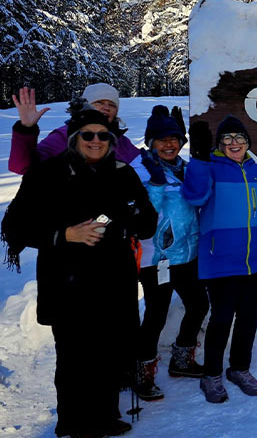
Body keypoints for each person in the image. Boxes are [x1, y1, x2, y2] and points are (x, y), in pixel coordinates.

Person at [2, 109, 157, 437]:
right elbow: (14, 227)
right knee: (75, 361)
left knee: (110, 356)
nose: (96, 141)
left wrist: (122, 216)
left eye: (103, 135)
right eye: (88, 135)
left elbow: (146, 223)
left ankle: (105, 417)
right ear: (74, 138)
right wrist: (64, 235)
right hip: (68, 284)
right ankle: (73, 425)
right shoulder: (47, 175)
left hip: (115, 283)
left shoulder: (123, 174)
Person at [182, 115, 257, 403]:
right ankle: (212, 375)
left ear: (247, 142)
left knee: (248, 320)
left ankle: (239, 369)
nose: (233, 143)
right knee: (221, 319)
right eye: (227, 138)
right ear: (219, 144)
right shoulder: (211, 169)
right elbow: (194, 197)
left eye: (239, 138)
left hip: (254, 260)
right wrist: (199, 160)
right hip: (221, 259)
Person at [132, 105, 210, 401]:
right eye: (161, 139)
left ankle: (182, 359)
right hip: (157, 258)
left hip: (187, 255)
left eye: (174, 138)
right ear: (150, 142)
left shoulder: (187, 168)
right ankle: (143, 371)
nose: (168, 144)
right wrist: (154, 182)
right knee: (156, 315)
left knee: (199, 305)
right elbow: (144, 212)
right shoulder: (142, 168)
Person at [9, 84, 140, 175]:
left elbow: (143, 166)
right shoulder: (64, 136)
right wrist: (26, 129)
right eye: (99, 102)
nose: (106, 107)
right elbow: (23, 167)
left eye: (112, 105)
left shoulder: (121, 141)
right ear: (85, 105)